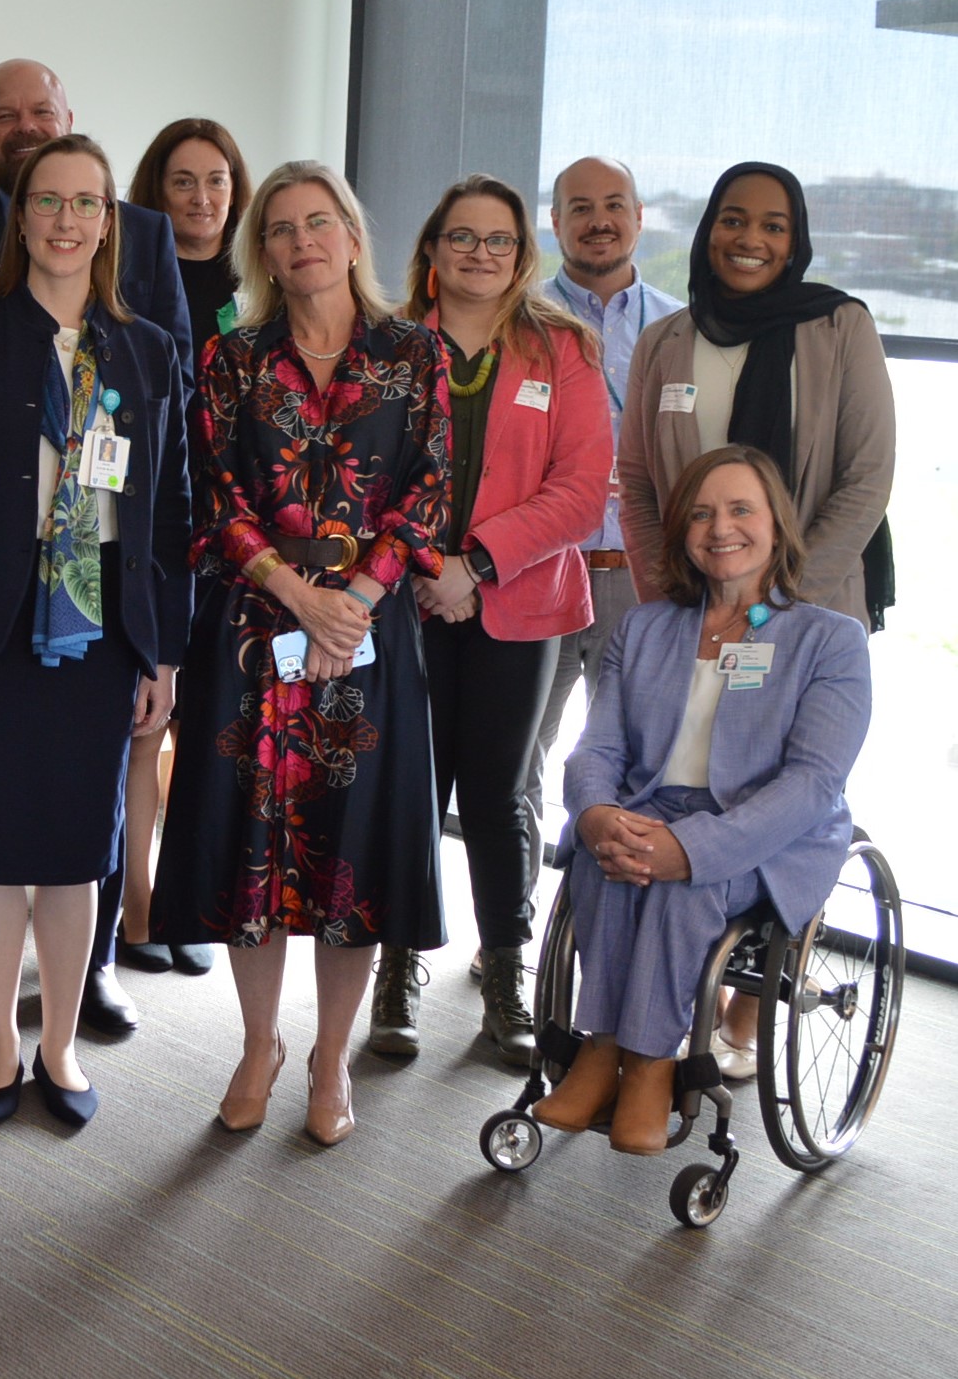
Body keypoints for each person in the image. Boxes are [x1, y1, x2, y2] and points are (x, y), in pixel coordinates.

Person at [148, 161, 449, 1148]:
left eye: (318, 222)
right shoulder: (230, 359)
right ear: (262, 254)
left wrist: (352, 603)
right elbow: (214, 500)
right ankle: (255, 1044)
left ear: (354, 238)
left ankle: (328, 1056)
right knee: (253, 853)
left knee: (347, 857)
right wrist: (293, 594)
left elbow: (427, 490)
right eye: (278, 229)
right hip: (253, 631)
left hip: (369, 628)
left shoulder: (414, 355)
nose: (300, 240)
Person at [0, 63, 195, 1041]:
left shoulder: (144, 349)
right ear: (17, 217)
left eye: (86, 203)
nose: (65, 220)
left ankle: (58, 1050)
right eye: (46, 202)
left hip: (102, 630)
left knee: (77, 844)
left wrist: (165, 650)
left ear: (109, 220)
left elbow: (171, 508)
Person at [533, 445, 868, 1151]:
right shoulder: (647, 628)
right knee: (602, 859)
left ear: (775, 524)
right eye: (702, 513)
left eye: (740, 509)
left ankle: (650, 1065)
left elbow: (810, 785)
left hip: (765, 838)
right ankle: (599, 1051)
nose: (721, 528)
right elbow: (595, 749)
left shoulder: (829, 641)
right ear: (682, 530)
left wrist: (690, 847)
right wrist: (595, 816)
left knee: (684, 885)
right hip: (650, 809)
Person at [367, 176, 611, 1064]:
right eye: (460, 237)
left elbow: (583, 491)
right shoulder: (386, 345)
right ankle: (396, 966)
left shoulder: (563, 349)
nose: (479, 252)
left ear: (521, 252)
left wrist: (479, 562)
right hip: (404, 599)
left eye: (497, 239)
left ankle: (505, 972)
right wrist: (432, 569)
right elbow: (363, 476)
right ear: (431, 251)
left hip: (522, 600)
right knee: (408, 786)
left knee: (499, 789)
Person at [518, 156, 685, 983]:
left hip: (639, 578)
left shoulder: (677, 330)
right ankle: (507, 942)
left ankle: (610, 935)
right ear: (553, 223)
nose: (597, 220)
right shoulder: (520, 319)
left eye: (612, 205)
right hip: (539, 573)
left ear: (637, 217)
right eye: (577, 207)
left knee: (638, 763)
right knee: (520, 760)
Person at [620, 161, 894, 629]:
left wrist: (781, 601)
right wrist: (670, 599)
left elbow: (865, 478)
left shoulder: (841, 327)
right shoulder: (662, 342)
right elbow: (638, 483)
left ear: (794, 244)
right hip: (691, 613)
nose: (750, 239)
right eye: (733, 221)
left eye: (773, 226)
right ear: (708, 232)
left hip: (814, 609)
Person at [109, 117, 253, 984]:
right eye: (182, 183)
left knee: (212, 731)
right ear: (153, 197)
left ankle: (191, 900)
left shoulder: (261, 287)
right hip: (159, 530)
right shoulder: (126, 279)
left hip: (241, 541)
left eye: (217, 182)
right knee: (143, 727)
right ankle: (136, 908)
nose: (201, 199)